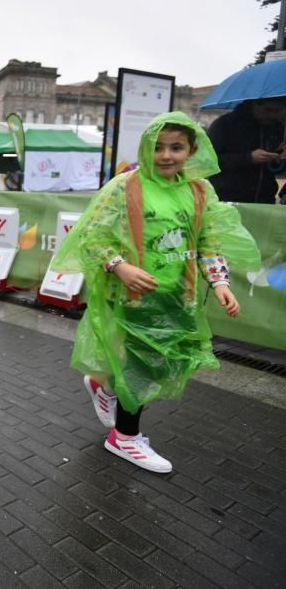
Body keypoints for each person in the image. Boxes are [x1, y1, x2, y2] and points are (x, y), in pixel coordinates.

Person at [52, 112, 260, 473]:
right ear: (146, 148)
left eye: (176, 147)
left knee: (160, 361)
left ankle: (104, 384)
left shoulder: (199, 189)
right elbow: (93, 235)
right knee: (143, 368)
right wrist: (121, 266)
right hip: (134, 296)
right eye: (158, 147)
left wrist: (220, 282)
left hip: (179, 297)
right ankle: (125, 437)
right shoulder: (125, 186)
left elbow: (209, 239)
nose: (166, 155)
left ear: (191, 149)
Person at [208, 98, 286, 204]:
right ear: (254, 104)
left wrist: (278, 157)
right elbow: (209, 161)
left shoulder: (277, 127)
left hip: (264, 199)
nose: (272, 115)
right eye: (268, 110)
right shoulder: (225, 124)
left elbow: (275, 169)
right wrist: (248, 158)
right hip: (228, 198)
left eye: (278, 111)